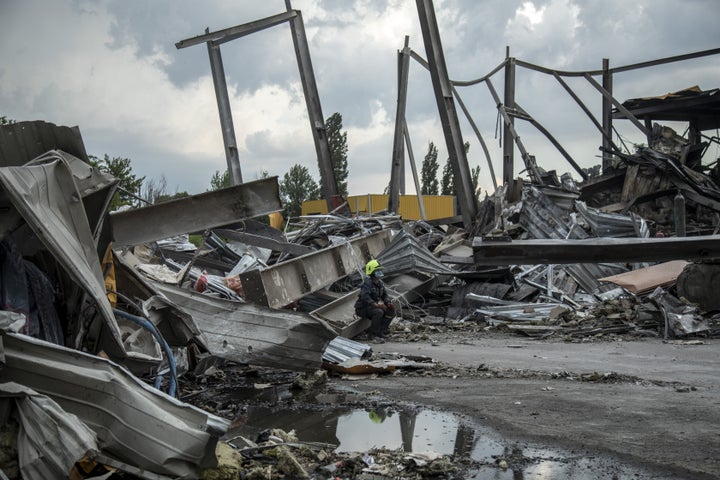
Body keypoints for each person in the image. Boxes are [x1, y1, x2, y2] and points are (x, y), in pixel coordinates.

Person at [354, 259, 396, 343]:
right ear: (372, 272)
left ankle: (380, 332)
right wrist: (376, 305)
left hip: (372, 307)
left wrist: (388, 302)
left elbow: (384, 295)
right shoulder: (367, 283)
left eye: (380, 270)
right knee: (379, 312)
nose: (380, 272)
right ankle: (372, 335)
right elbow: (365, 297)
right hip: (362, 308)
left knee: (391, 312)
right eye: (378, 270)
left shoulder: (380, 283)